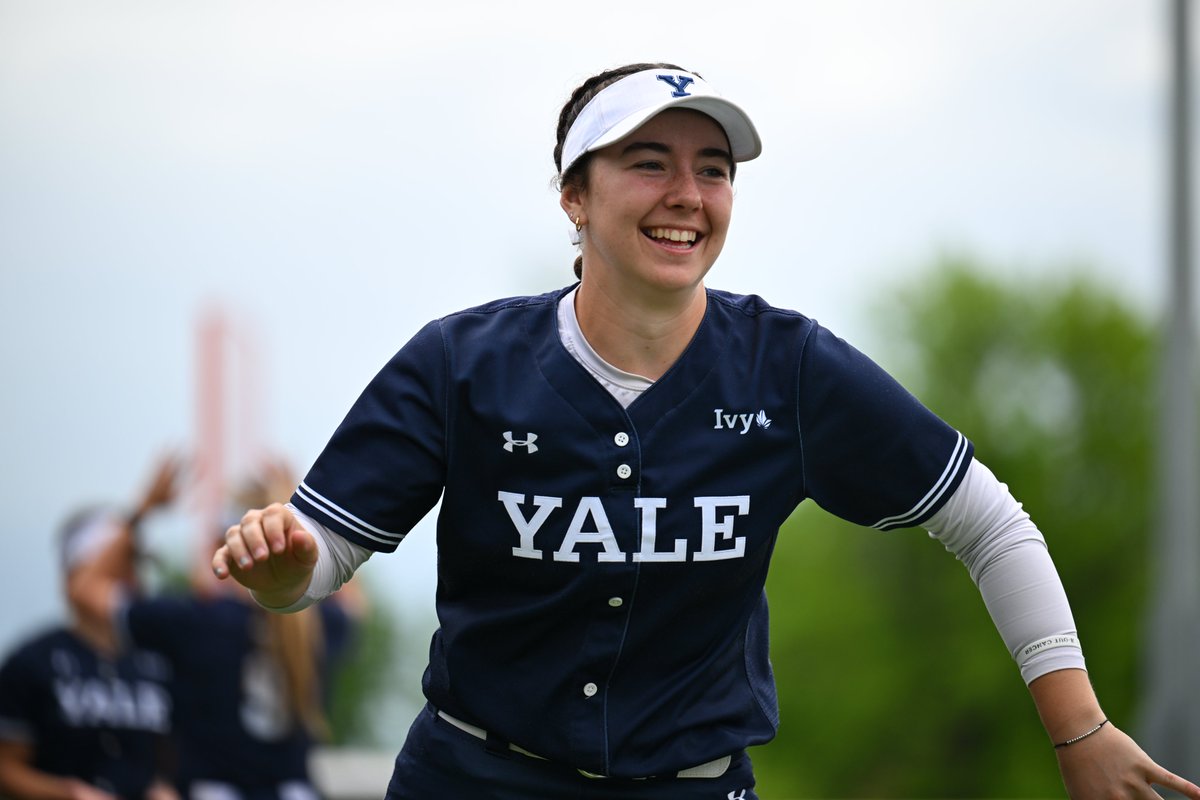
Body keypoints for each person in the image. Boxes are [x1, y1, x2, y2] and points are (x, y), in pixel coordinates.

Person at [211, 62, 1200, 799]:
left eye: (714, 168)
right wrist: (285, 570)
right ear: (573, 195)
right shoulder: (460, 361)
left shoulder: (791, 365)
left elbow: (988, 521)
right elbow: (322, 550)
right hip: (473, 776)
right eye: (650, 163)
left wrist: (1080, 730)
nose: (688, 193)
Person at [71, 456, 364, 800]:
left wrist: (142, 510)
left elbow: (84, 589)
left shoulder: (194, 621)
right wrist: (302, 518)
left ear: (224, 549)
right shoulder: (318, 623)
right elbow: (349, 590)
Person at [0, 469, 178, 800]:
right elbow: (6, 769)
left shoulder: (158, 662)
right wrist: (66, 793)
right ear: (76, 572)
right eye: (118, 564)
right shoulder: (32, 661)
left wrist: (166, 789)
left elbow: (172, 761)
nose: (131, 576)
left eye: (134, 564)